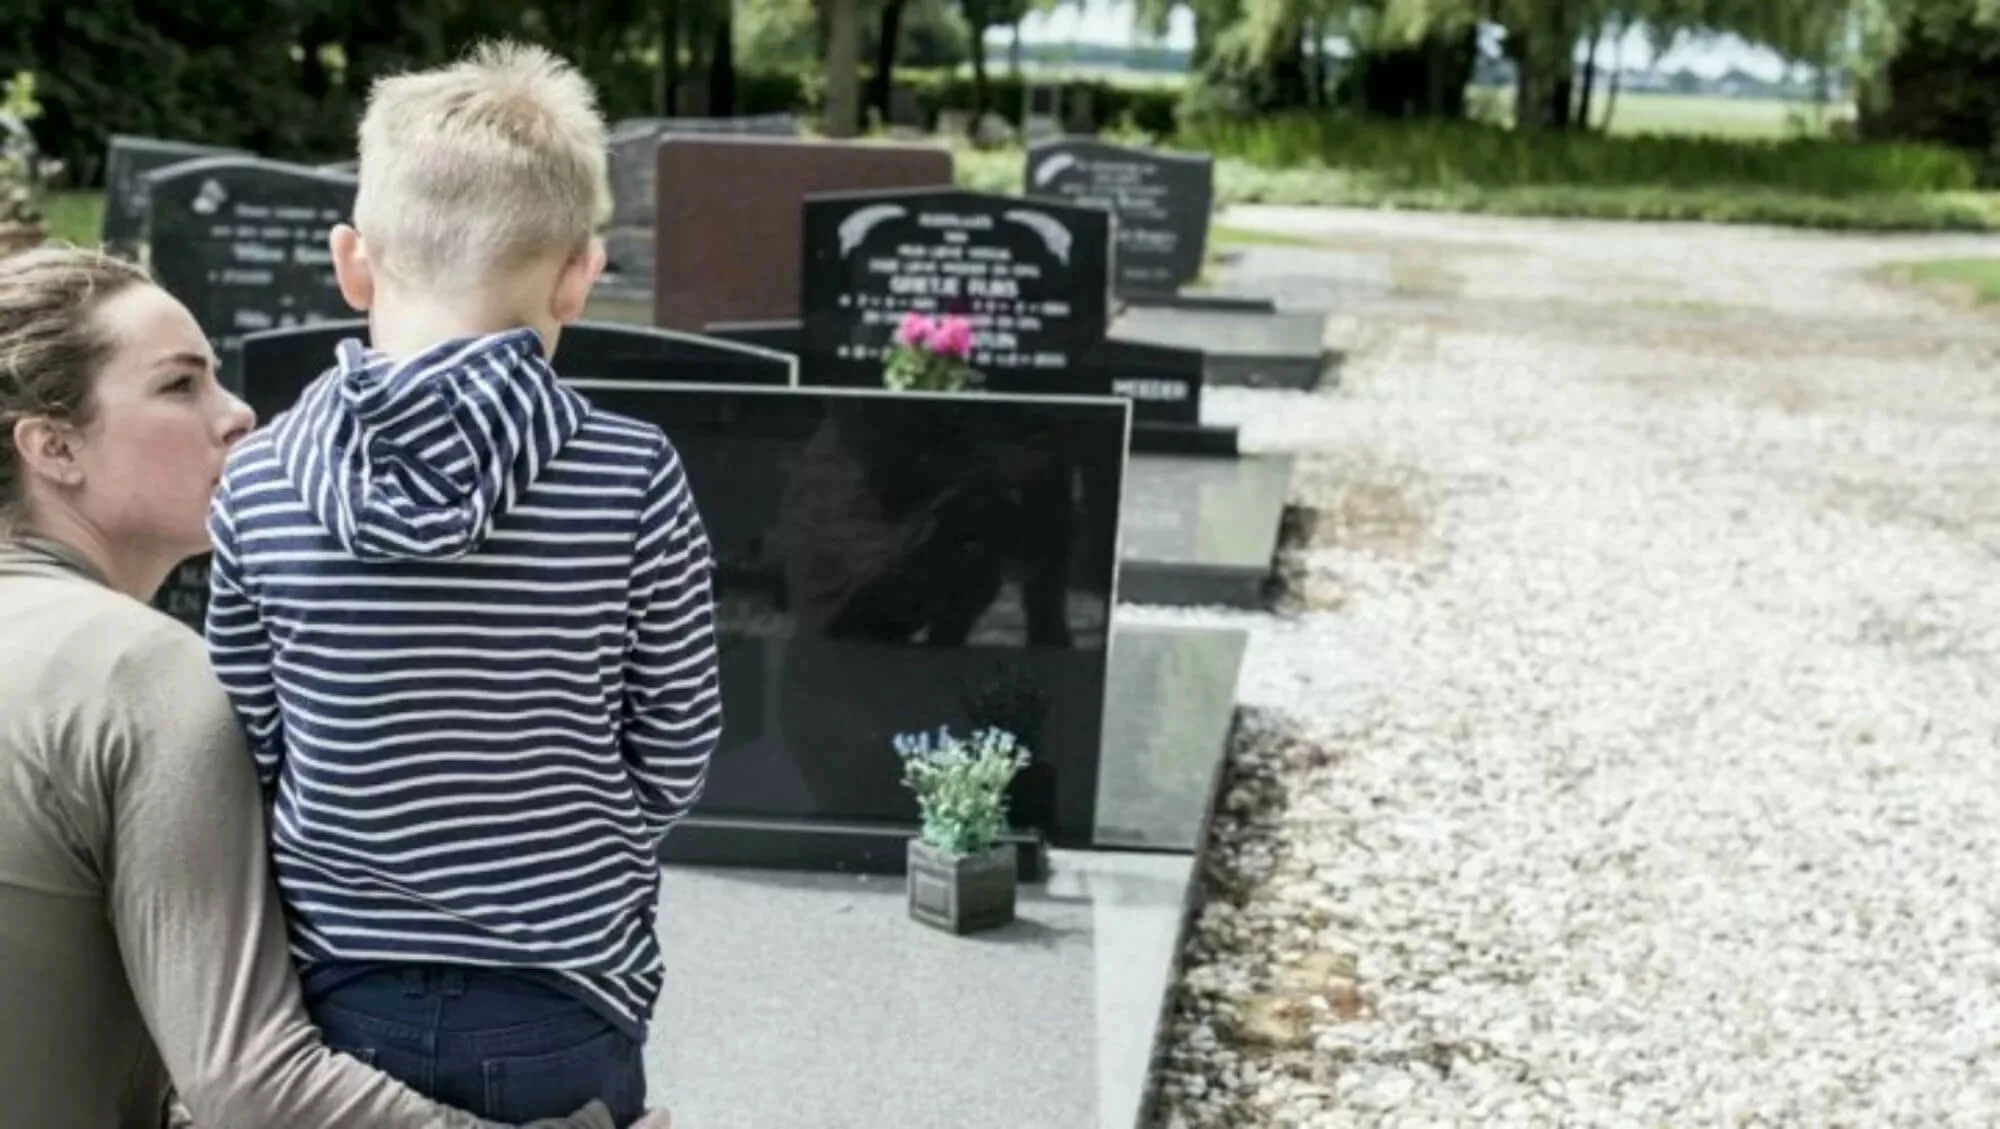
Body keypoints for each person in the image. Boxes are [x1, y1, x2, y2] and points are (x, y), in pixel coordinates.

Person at [0, 245, 670, 1129]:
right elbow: (251, 1085)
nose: (237, 413)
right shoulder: (142, 675)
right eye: (179, 385)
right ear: (53, 446)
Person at [201, 41, 723, 1128]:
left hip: (343, 992)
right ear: (581, 271)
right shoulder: (629, 473)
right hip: (562, 986)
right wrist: (584, 837)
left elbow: (248, 740)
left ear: (352, 262)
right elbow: (675, 742)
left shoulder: (256, 479)